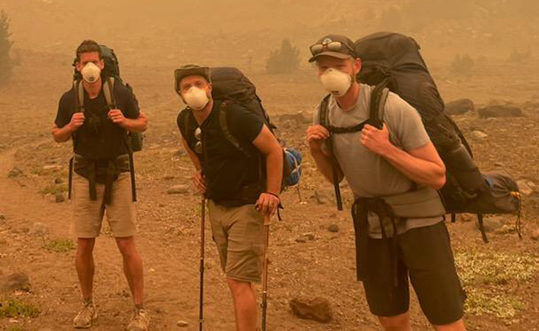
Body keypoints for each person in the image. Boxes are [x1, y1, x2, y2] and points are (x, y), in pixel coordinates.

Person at [305, 34, 466, 331]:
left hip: (421, 223)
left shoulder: (393, 107)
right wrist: (316, 151)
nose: (330, 73)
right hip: (374, 226)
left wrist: (387, 149)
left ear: (356, 66)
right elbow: (336, 177)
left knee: (445, 318)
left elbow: (436, 174)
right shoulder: (324, 112)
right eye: (323, 66)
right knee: (391, 318)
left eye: (338, 65)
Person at [174, 64, 282, 331]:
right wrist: (200, 171)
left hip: (248, 203)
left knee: (237, 279)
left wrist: (272, 193)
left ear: (210, 87)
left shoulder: (235, 116)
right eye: (186, 86)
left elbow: (274, 150)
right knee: (234, 277)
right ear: (180, 94)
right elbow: (190, 145)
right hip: (217, 204)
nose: (193, 90)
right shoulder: (185, 120)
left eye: (198, 83)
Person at [52, 40, 150, 330]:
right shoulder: (69, 98)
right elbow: (56, 134)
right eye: (85, 62)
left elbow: (143, 122)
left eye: (95, 60)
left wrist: (125, 122)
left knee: (126, 243)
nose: (91, 66)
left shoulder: (120, 93)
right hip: (85, 175)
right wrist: (70, 127)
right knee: (84, 244)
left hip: (118, 173)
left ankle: (140, 309)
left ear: (103, 64)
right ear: (77, 66)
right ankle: (87, 304)